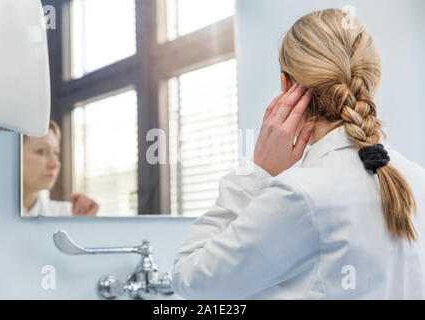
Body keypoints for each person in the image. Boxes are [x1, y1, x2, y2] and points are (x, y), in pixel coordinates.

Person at [171, 8, 425, 299]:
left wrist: (256, 172)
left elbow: (190, 279)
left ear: (287, 85)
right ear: (371, 82)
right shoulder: (418, 179)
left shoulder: (300, 195)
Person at [22, 120, 99, 217]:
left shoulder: (67, 215)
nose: (55, 164)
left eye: (56, 153)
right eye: (42, 151)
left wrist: (82, 227)